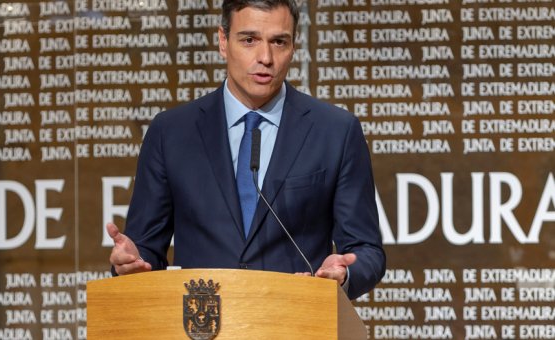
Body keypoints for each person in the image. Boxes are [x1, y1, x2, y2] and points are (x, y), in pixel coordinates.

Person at [107, 0, 385, 299]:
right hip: (202, 324)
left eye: (279, 42)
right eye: (249, 40)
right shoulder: (170, 132)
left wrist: (343, 275)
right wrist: (131, 263)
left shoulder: (336, 131)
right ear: (223, 41)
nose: (265, 57)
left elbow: (366, 250)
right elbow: (145, 248)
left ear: (293, 47)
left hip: (295, 319)